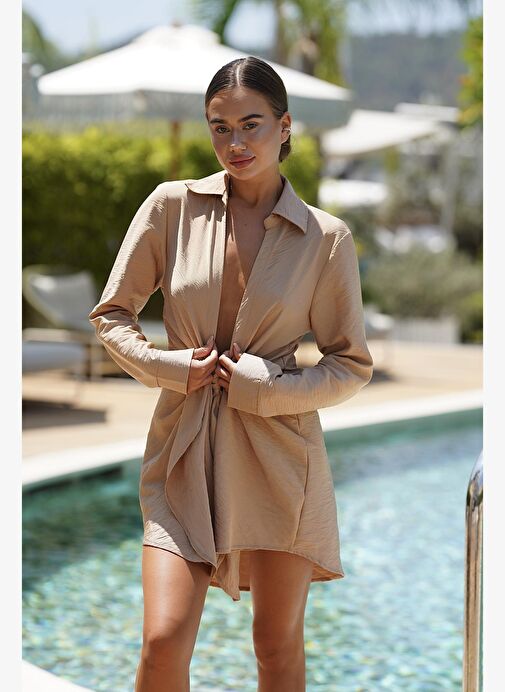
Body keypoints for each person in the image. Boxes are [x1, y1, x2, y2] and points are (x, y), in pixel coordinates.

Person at [89, 56, 373, 692]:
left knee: (276, 647)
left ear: (284, 126)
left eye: (251, 125)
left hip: (280, 457)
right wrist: (168, 367)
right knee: (163, 641)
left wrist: (267, 390)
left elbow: (350, 365)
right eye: (220, 128)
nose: (235, 143)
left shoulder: (325, 238)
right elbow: (112, 316)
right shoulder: (171, 207)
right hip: (183, 448)